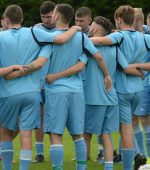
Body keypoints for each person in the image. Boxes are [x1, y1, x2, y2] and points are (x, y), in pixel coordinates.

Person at [0, 4, 82, 170]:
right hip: (32, 92)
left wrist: (11, 71)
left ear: (6, 20)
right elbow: (60, 39)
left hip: (7, 93)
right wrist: (75, 28)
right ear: (22, 19)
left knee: (6, 133)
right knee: (25, 134)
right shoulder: (34, 32)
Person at [44, 3, 111, 170]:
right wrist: (107, 75)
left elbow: (40, 62)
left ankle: (57, 168)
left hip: (56, 90)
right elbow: (98, 57)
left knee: (55, 134)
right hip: (76, 91)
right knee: (78, 134)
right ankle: (82, 168)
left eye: (53, 13)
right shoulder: (82, 38)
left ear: (57, 16)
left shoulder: (49, 37)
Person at [90, 5, 150, 170]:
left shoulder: (119, 36)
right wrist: (140, 66)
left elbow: (100, 40)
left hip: (123, 88)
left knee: (126, 128)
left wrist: (80, 40)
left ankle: (129, 167)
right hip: (138, 88)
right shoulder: (144, 37)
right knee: (130, 124)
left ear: (119, 20)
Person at [33, 0, 56, 163]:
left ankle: (56, 152)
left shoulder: (63, 31)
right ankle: (40, 153)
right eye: (43, 17)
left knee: (55, 117)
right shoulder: (34, 30)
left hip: (55, 81)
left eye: (49, 17)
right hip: (37, 81)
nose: (46, 20)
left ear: (55, 15)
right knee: (39, 117)